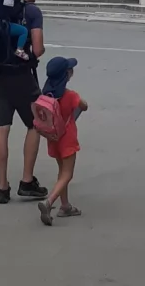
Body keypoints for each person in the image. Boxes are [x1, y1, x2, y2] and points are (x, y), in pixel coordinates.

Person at [0, 0, 47, 204]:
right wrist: (29, 56)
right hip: (23, 78)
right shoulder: (32, 12)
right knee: (35, 124)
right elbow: (39, 48)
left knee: (1, 128)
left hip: (0, 76)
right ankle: (26, 181)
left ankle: (2, 187)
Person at [37, 56, 88, 226]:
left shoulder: (46, 96)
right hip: (67, 138)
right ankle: (49, 202)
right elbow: (84, 105)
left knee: (61, 172)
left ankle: (65, 206)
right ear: (66, 75)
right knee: (68, 174)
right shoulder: (70, 95)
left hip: (53, 138)